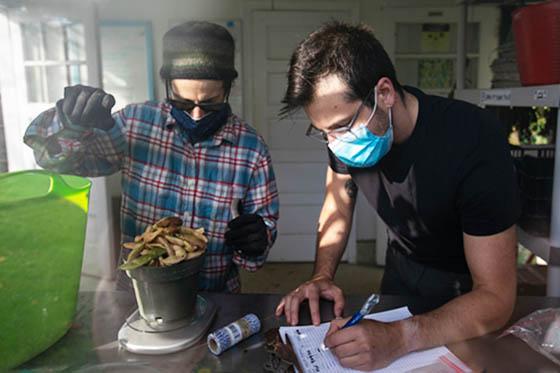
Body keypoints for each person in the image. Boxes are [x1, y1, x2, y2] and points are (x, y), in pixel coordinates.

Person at [275, 21, 520, 371]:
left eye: (342, 127)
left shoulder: (473, 140)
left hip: (464, 291)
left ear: (385, 93)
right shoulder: (344, 138)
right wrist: (322, 276)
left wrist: (401, 337)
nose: (336, 144)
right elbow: (338, 203)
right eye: (323, 133)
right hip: (401, 268)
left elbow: (496, 298)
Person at [24, 21, 279, 293]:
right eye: (182, 102)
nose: (196, 114)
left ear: (228, 88)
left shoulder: (251, 149)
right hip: (139, 294)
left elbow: (260, 239)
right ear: (168, 85)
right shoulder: (135, 124)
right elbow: (58, 161)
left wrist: (256, 239)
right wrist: (71, 124)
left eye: (209, 103)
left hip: (214, 294)